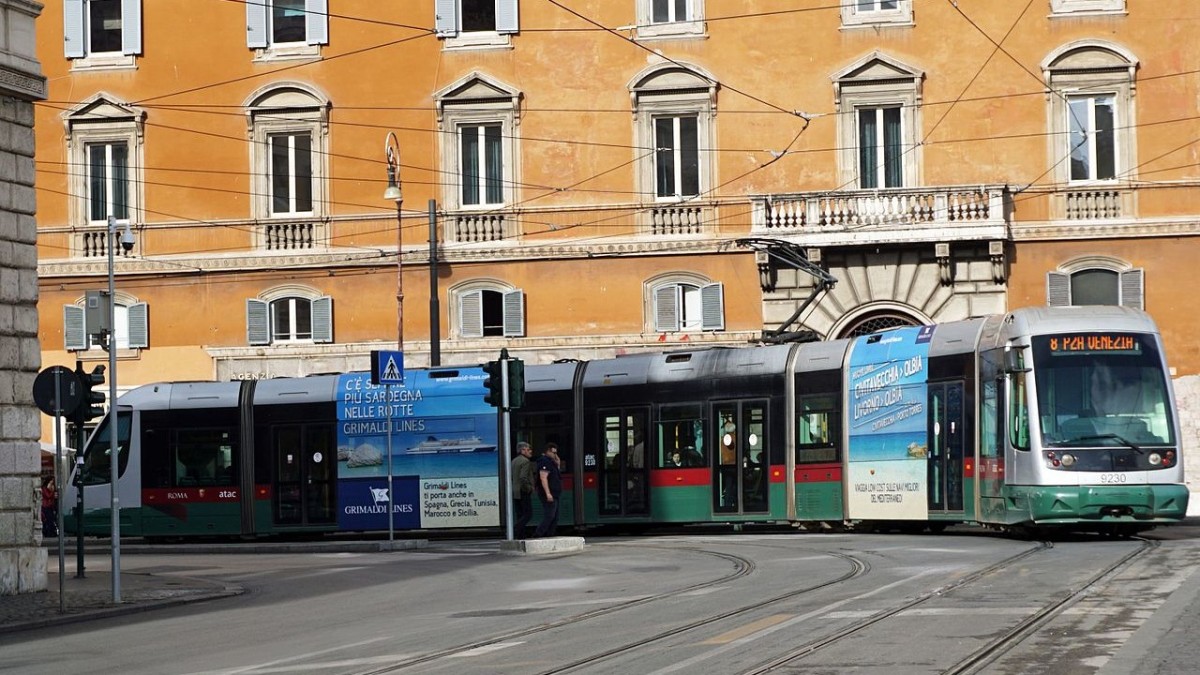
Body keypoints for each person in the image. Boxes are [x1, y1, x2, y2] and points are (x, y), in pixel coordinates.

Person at [533, 442, 562, 538]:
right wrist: (548, 493)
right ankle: (538, 533)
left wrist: (558, 463)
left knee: (555, 517)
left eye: (556, 453)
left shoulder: (552, 462)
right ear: (548, 451)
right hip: (549, 493)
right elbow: (543, 478)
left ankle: (550, 534)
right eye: (554, 453)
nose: (555, 455)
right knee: (550, 515)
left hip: (555, 493)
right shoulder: (544, 461)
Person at [510, 441, 535, 539]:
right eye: (528, 449)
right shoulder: (525, 461)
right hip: (523, 491)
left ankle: (520, 535)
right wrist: (529, 488)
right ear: (522, 450)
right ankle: (515, 529)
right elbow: (523, 477)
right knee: (528, 514)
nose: (530, 452)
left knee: (520, 514)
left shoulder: (514, 461)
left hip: (515, 491)